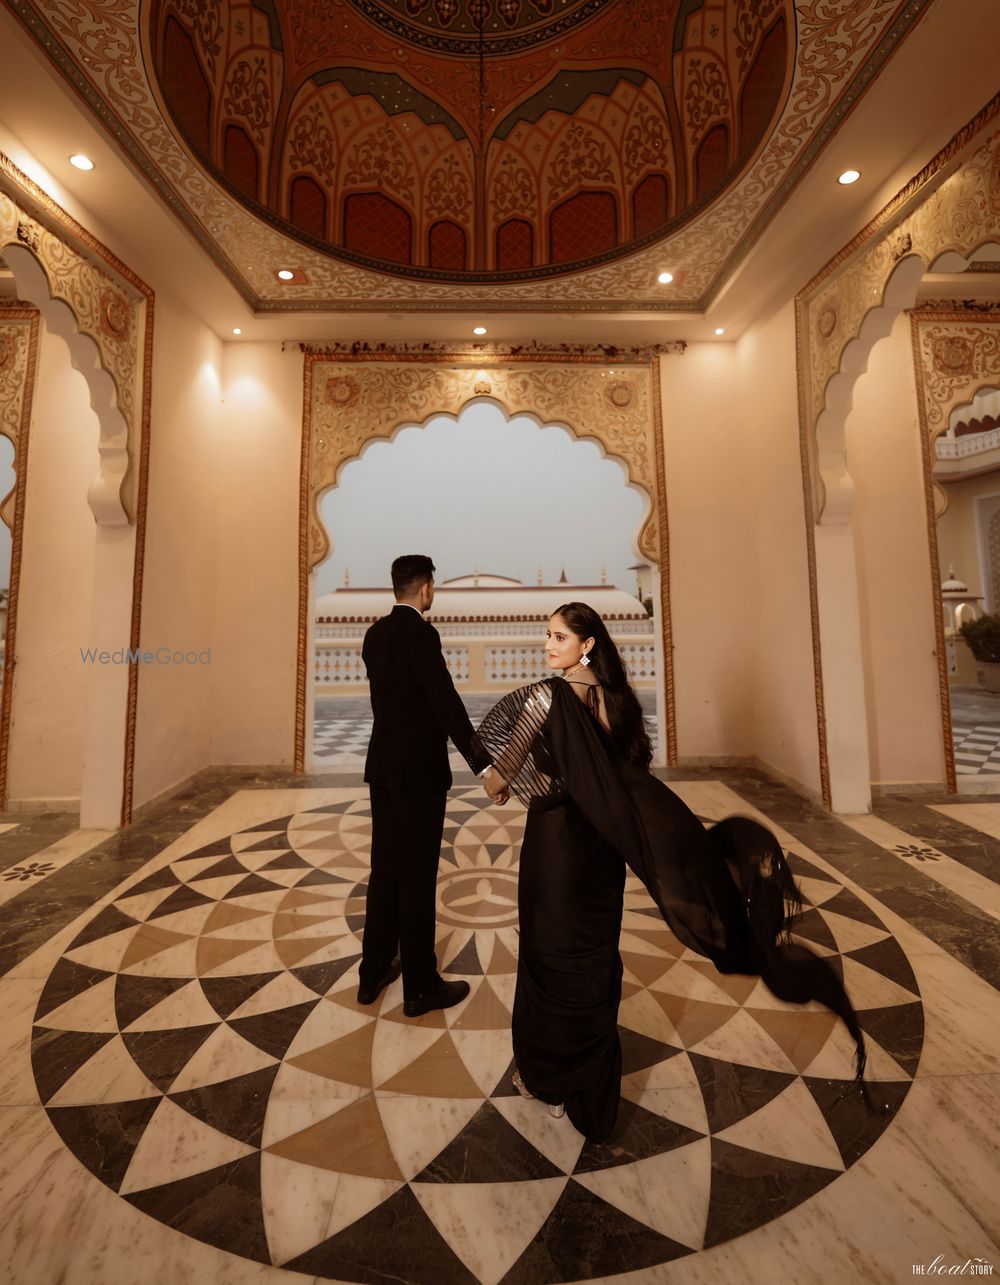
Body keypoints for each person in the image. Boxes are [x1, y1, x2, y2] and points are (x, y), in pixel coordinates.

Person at [473, 601, 868, 1142]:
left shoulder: (547, 697)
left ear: (586, 644)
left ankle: (546, 1076)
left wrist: (503, 780)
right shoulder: (618, 702)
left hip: (558, 850)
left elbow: (502, 779)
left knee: (548, 953)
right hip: (603, 852)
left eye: (558, 637)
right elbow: (627, 780)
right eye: (547, 635)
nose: (548, 645)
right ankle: (587, 1084)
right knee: (591, 954)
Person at [358, 554, 507, 1016]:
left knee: (385, 870)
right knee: (417, 876)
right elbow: (445, 703)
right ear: (425, 588)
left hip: (382, 771)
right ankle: (421, 987)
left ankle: (373, 973)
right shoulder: (422, 634)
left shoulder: (375, 635)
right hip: (419, 775)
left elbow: (393, 703)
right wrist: (484, 767)